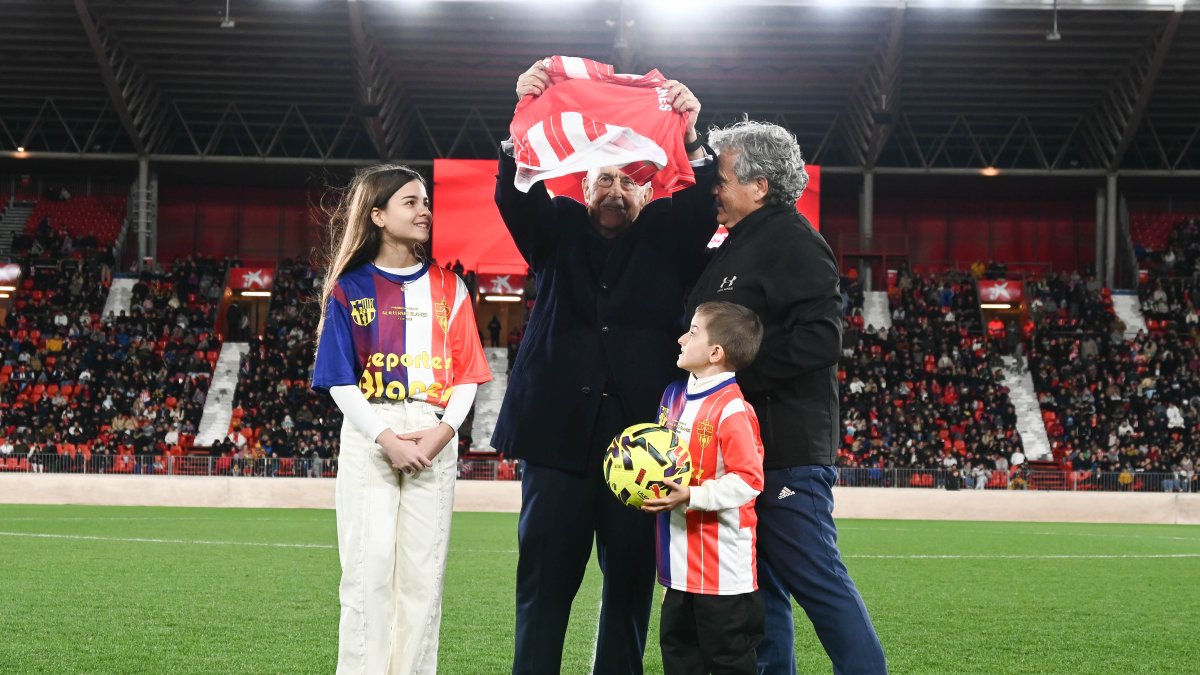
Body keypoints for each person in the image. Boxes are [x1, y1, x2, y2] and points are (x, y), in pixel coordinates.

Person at [494, 58, 716, 675]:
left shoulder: (670, 235)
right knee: (543, 590)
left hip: (641, 445)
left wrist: (692, 134)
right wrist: (521, 122)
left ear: (648, 189)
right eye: (603, 180)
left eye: (629, 182)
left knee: (629, 592)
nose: (615, 192)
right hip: (557, 441)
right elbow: (515, 196)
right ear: (582, 185)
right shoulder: (555, 228)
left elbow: (702, 205)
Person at [685, 120, 887, 674]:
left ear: (760, 186)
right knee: (763, 592)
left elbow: (823, 338)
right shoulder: (736, 245)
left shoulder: (794, 241)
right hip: (748, 452)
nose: (715, 189)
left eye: (722, 178)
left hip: (786, 448)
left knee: (817, 581)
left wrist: (733, 388)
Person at [311, 164, 492, 674]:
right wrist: (387, 438)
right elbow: (341, 381)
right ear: (378, 215)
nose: (424, 210)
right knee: (366, 576)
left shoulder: (450, 287)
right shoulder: (348, 288)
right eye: (410, 201)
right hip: (372, 434)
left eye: (425, 201)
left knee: (422, 579)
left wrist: (441, 433)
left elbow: (467, 376)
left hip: (434, 433)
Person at [641, 301, 766, 675]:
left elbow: (749, 479)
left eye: (692, 331)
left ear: (715, 353)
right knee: (679, 660)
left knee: (729, 663)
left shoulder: (732, 409)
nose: (682, 337)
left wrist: (693, 496)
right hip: (677, 571)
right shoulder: (672, 396)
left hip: (723, 576)